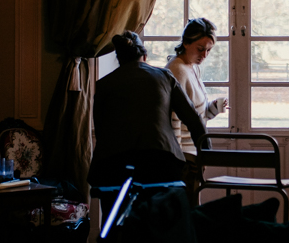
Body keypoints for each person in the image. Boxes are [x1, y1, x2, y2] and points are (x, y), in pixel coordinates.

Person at [88, 31, 209, 189]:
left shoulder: (104, 84)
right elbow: (194, 120)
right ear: (144, 57)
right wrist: (206, 155)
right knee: (161, 210)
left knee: (114, 209)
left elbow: (102, 130)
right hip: (161, 162)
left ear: (119, 60)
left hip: (114, 165)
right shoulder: (165, 77)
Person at [165, 18, 229, 202]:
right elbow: (174, 120)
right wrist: (176, 161)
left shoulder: (193, 69)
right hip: (184, 157)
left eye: (209, 50)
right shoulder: (176, 70)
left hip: (195, 152)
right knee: (187, 213)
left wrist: (214, 108)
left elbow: (196, 117)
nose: (205, 55)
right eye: (201, 49)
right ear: (185, 43)